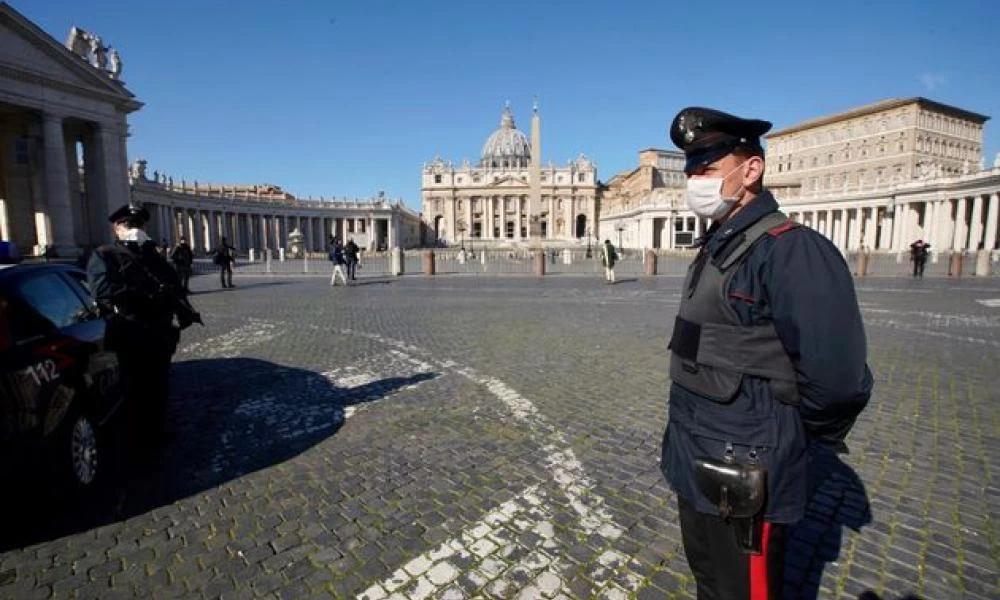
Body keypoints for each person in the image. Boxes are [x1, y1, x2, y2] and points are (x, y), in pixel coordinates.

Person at [660, 107, 873, 599]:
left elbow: (839, 380)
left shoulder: (793, 251)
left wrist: (792, 440)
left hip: (747, 468)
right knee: (711, 585)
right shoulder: (717, 246)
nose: (695, 182)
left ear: (750, 169)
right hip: (696, 457)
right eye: (691, 172)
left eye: (707, 171)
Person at [87, 204, 201, 451]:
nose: (134, 230)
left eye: (134, 225)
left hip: (144, 335)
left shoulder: (131, 254)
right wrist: (151, 297)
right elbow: (104, 291)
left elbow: (171, 284)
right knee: (144, 388)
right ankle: (146, 437)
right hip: (144, 334)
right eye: (134, 225)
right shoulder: (124, 255)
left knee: (146, 388)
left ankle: (147, 435)